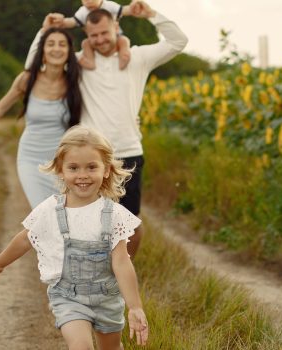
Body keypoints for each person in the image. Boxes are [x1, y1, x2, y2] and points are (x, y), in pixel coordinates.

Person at [28, 0, 188, 259]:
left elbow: (178, 42)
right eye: (94, 36)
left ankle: (120, 275)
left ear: (116, 27)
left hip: (128, 152)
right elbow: (37, 66)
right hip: (90, 159)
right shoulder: (79, 62)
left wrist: (151, 15)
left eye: (105, 33)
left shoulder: (137, 57)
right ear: (87, 38)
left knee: (131, 225)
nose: (101, 40)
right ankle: (81, 279)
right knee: (84, 224)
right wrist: (43, 32)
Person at [0, 125, 149, 348]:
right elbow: (26, 238)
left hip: (107, 298)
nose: (82, 175)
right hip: (69, 297)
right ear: (60, 170)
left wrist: (134, 306)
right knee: (81, 347)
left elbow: (122, 261)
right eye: (73, 168)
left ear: (106, 169)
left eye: (91, 167)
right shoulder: (51, 209)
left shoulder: (114, 214)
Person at [0, 27, 83, 209]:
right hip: (31, 159)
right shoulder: (26, 79)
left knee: (65, 215)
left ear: (69, 52)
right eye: (50, 44)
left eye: (62, 44)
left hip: (65, 162)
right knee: (43, 213)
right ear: (43, 51)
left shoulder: (77, 82)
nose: (56, 49)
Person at [60, 0, 133, 70]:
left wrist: (133, 8)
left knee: (123, 40)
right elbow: (73, 21)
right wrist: (62, 22)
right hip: (92, 39)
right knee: (85, 43)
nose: (89, 2)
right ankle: (89, 60)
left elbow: (124, 10)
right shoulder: (83, 11)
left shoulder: (108, 5)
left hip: (116, 35)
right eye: (85, 0)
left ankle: (124, 55)